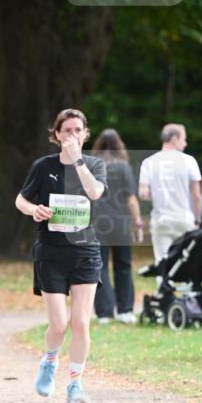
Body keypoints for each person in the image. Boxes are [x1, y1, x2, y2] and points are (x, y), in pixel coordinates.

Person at [16, 108, 107, 403]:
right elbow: (21, 199)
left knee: (81, 322)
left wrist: (78, 161)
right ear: (56, 135)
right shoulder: (43, 166)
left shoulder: (94, 164)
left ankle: (75, 384)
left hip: (85, 253)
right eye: (66, 130)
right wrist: (34, 210)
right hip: (51, 252)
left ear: (85, 134)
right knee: (58, 325)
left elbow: (95, 193)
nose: (72, 135)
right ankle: (50, 360)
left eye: (77, 130)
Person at [90, 128, 144, 324]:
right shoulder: (123, 167)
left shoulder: (92, 166)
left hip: (97, 223)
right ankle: (125, 311)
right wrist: (137, 222)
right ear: (118, 144)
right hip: (120, 223)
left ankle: (104, 313)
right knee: (123, 265)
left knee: (100, 267)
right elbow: (131, 198)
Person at [138, 123, 202, 266]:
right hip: (184, 219)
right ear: (174, 138)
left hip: (161, 220)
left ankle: (163, 287)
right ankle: (187, 287)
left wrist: (157, 196)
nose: (186, 143)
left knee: (162, 262)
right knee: (188, 262)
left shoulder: (148, 162)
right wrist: (198, 220)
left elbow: (142, 194)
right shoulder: (189, 161)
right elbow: (196, 195)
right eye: (184, 139)